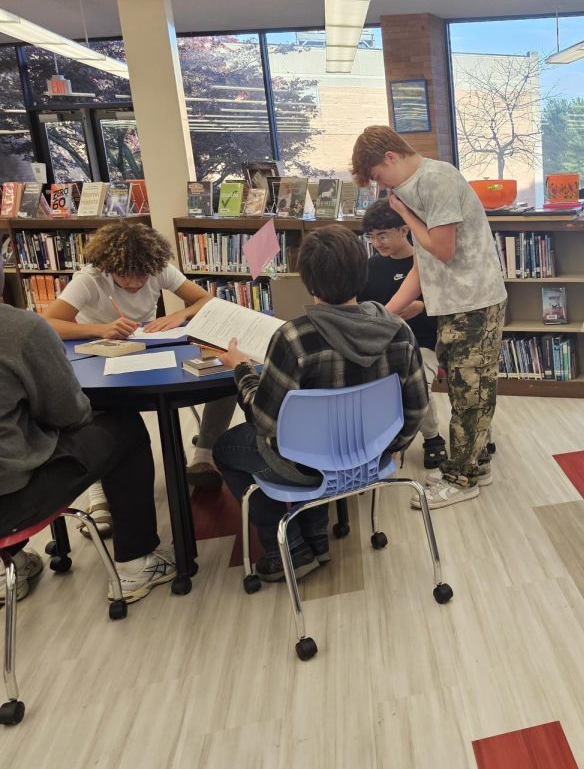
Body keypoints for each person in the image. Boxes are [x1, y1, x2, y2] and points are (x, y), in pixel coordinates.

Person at [211, 226, 428, 582]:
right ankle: (315, 534)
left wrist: (241, 370)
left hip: (305, 465)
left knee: (225, 448)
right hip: (372, 457)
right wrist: (387, 448)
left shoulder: (294, 337)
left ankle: (289, 548)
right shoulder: (399, 331)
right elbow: (417, 408)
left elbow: (265, 421)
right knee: (310, 442)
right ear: (364, 273)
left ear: (309, 282)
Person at [43, 221, 238, 537]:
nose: (135, 283)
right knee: (98, 414)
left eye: (143, 276)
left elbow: (206, 300)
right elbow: (48, 323)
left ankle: (203, 458)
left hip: (148, 349)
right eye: (125, 277)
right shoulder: (90, 279)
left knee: (222, 378)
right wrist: (99, 328)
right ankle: (99, 495)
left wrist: (179, 314)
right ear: (109, 267)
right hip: (99, 358)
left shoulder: (157, 267)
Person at [351, 126, 507, 510]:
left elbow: (441, 248)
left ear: (390, 157)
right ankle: (474, 464)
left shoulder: (435, 180)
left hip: (474, 302)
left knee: (470, 394)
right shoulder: (415, 188)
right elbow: (422, 264)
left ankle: (461, 479)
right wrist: (386, 314)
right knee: (461, 389)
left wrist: (404, 213)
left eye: (376, 175)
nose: (380, 184)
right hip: (454, 305)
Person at [0, 305, 175, 605]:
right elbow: (70, 414)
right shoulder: (20, 329)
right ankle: (135, 563)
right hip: (11, 506)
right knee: (125, 425)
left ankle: (10, 566)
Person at [359, 198, 446, 470]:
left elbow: (449, 307)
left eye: (383, 235)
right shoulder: (370, 267)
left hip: (423, 345)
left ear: (404, 231)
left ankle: (432, 438)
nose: (377, 243)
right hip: (382, 346)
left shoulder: (427, 262)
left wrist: (423, 307)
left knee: (415, 383)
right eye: (371, 237)